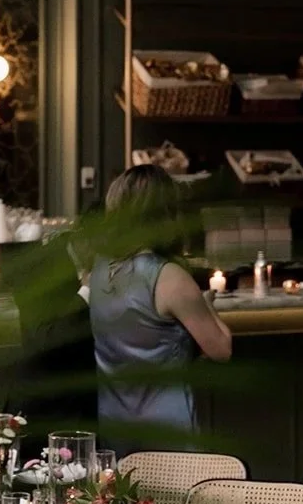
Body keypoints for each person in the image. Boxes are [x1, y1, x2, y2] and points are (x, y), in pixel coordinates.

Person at [88, 164, 232, 457]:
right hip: (168, 432)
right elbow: (221, 348)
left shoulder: (100, 270)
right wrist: (205, 302)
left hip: (116, 427)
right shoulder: (167, 276)